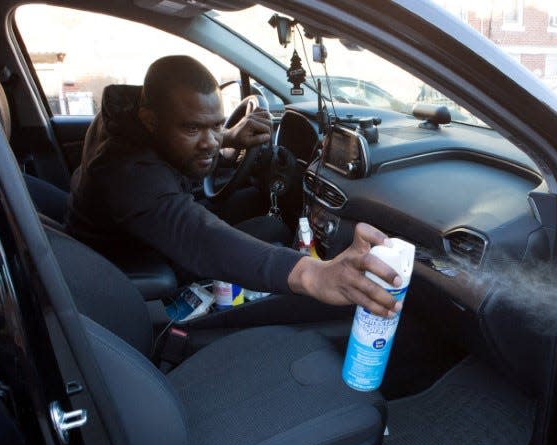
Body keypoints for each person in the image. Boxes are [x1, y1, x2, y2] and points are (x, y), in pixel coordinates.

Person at [67, 55, 401, 317]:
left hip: (135, 239)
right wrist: (313, 274)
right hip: (132, 268)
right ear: (150, 120)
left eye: (216, 125)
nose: (210, 142)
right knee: (272, 228)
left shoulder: (123, 117)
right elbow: (199, 235)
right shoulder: (128, 171)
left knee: (249, 204)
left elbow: (196, 143)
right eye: (193, 129)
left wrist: (230, 137)